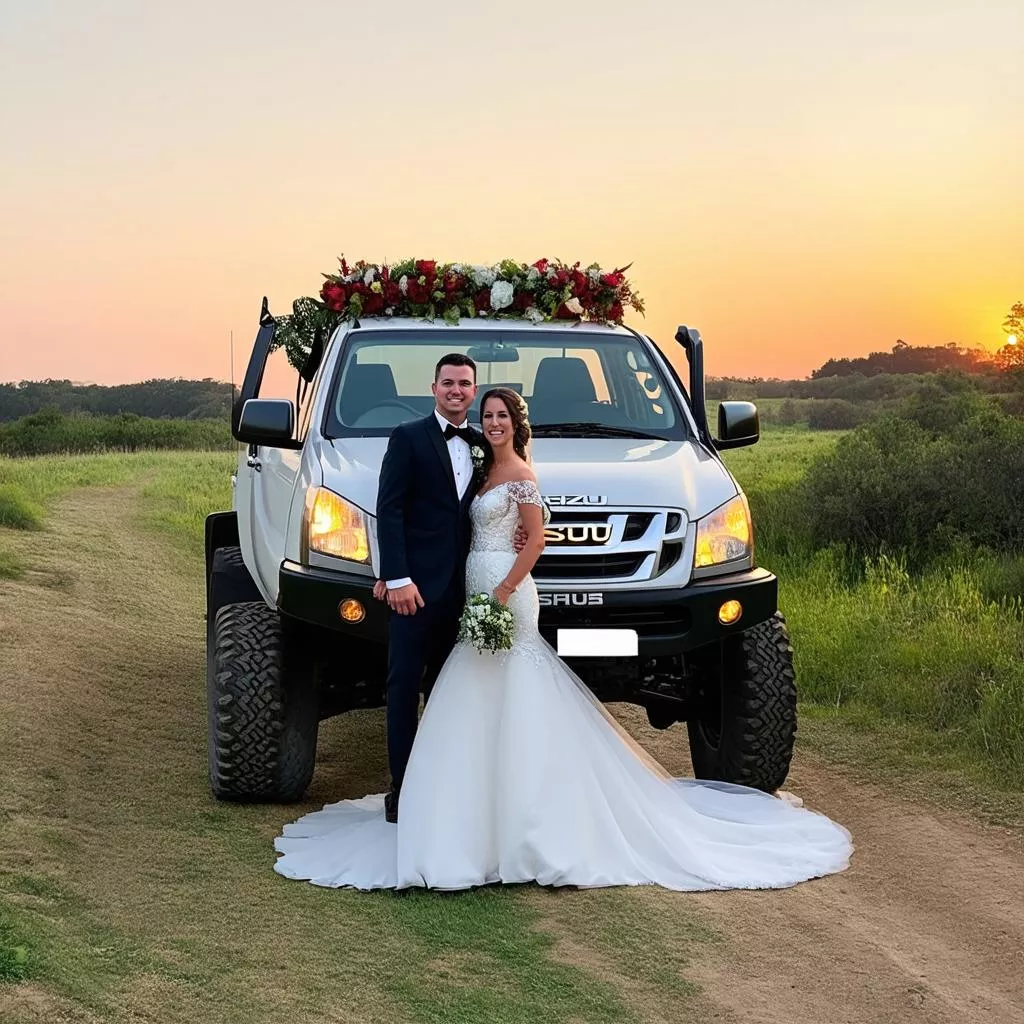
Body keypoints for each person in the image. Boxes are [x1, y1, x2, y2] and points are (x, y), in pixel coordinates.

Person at [273, 389, 853, 891]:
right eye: (487, 413)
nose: (492, 422)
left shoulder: (520, 474)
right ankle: (460, 807)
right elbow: (420, 511)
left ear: (514, 423)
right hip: (460, 587)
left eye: (501, 415)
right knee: (469, 689)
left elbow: (535, 539)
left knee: (513, 685)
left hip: (507, 591)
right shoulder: (472, 459)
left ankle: (528, 819)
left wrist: (502, 589)